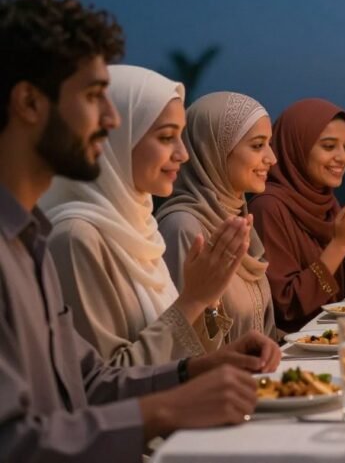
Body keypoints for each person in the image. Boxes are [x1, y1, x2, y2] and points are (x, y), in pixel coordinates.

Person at [0, 0, 280, 461]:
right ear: (29, 102)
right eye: (93, 97)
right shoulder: (63, 238)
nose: (110, 119)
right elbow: (13, 442)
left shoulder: (32, 239)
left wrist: (195, 370)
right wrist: (168, 408)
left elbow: (87, 381)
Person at [40, 65, 243, 366]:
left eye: (181, 136)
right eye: (165, 137)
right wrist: (194, 299)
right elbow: (105, 385)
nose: (183, 154)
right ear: (116, 140)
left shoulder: (139, 226)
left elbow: (188, 357)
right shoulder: (75, 239)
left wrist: (209, 298)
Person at [157, 91, 279, 343]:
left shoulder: (236, 218)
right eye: (257, 145)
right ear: (213, 150)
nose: (271, 158)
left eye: (269, 144)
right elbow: (184, 344)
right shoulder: (184, 228)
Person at [249, 98, 345, 333]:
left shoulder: (327, 203)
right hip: (289, 354)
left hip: (332, 341)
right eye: (329, 146)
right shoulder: (268, 207)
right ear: (296, 148)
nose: (344, 157)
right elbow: (286, 305)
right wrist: (340, 244)